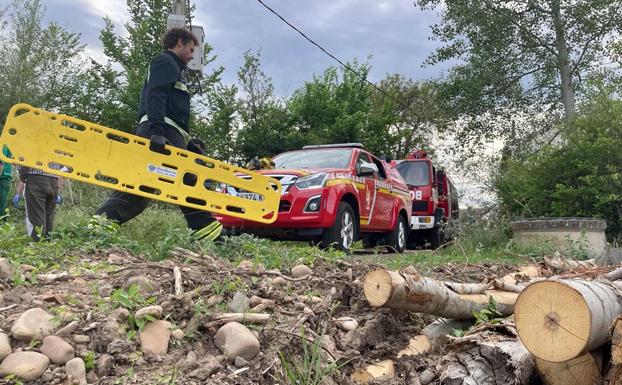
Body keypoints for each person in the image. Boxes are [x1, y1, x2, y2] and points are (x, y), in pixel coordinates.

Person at [96, 28, 222, 242]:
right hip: (159, 130)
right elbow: (156, 96)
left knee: (143, 183)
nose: (192, 56)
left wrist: (188, 143)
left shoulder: (173, 68)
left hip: (166, 131)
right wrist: (156, 132)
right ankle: (208, 232)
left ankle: (101, 223)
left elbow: (171, 110)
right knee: (186, 178)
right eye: (191, 50)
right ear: (179, 43)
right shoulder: (166, 63)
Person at [16, 165, 63, 241]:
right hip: (53, 180)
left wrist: (22, 174)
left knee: (37, 218)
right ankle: (47, 245)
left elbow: (28, 159)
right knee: (49, 218)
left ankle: (37, 247)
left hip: (36, 179)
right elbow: (63, 165)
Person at [0, 146, 13, 219]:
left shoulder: (3, 143)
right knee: (3, 202)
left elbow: (1, 161)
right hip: (5, 176)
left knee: (2, 203)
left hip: (4, 176)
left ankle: (2, 224)